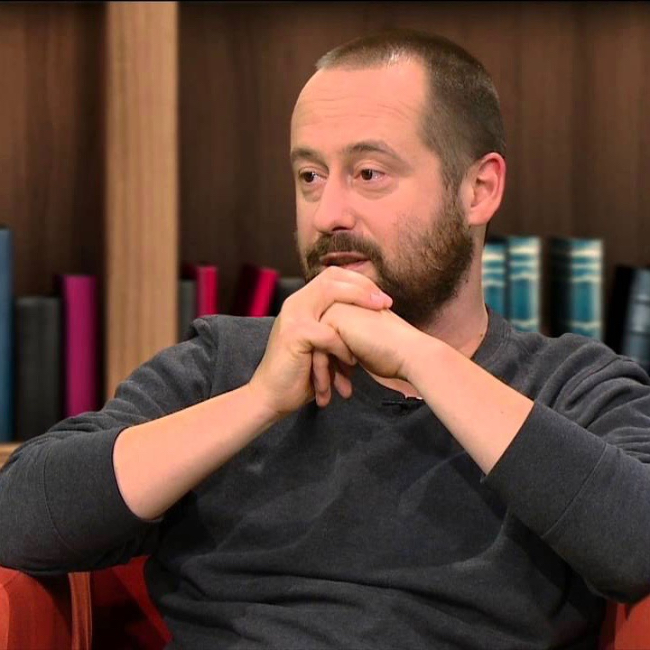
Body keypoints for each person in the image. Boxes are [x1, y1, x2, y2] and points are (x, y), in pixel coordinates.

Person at [1, 28, 650, 650]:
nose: (329, 213)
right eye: (310, 176)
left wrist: (419, 359)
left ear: (479, 189)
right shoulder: (223, 363)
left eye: (368, 173)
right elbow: (18, 519)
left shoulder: (574, 386)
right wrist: (258, 401)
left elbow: (638, 543)